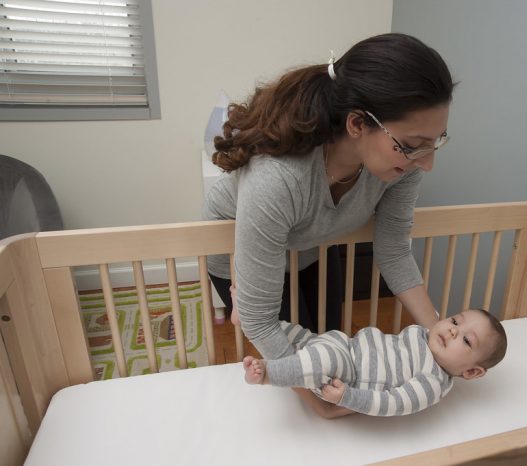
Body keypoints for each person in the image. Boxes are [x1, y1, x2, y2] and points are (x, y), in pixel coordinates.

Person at [203, 32, 454, 414]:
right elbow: (261, 320)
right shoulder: (278, 177)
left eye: (434, 143)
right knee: (283, 335)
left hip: (310, 242)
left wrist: (436, 329)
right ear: (357, 124)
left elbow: (394, 250)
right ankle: (240, 295)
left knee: (332, 340)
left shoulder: (405, 165)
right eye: (412, 143)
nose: (427, 162)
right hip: (243, 247)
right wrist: (319, 401)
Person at [243, 309, 507, 417]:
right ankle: (249, 318)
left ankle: (268, 372)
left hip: (347, 375)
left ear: (471, 371)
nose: (452, 330)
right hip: (345, 344)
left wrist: (348, 397)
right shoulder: (425, 335)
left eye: (467, 341)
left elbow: (391, 403)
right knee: (300, 336)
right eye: (455, 321)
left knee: (318, 360)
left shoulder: (432, 382)